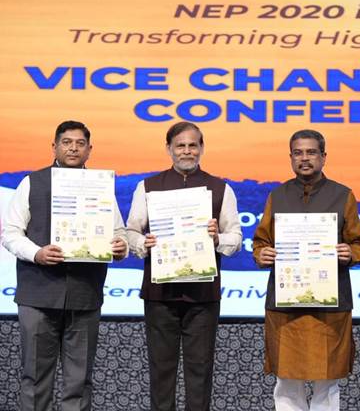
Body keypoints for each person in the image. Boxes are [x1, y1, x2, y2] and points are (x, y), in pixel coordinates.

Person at [1, 120, 128, 411]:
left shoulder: (100, 186)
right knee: (35, 378)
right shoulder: (32, 182)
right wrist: (37, 253)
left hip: (85, 296)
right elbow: (10, 233)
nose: (73, 148)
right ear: (55, 146)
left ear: (89, 150)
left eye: (80, 143)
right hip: (38, 296)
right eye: (67, 142)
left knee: (79, 382)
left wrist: (121, 246)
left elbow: (118, 233)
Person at [126, 121, 242, 411]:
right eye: (180, 145)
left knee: (200, 372)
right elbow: (131, 232)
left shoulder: (221, 188)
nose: (187, 151)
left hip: (202, 297)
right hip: (160, 294)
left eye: (193, 145)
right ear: (169, 149)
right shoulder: (148, 187)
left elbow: (236, 238)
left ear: (202, 148)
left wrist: (218, 238)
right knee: (161, 372)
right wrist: (143, 243)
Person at [253, 129, 360, 411]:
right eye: (298, 153)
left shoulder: (343, 195)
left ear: (324, 157)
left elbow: (359, 245)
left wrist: (349, 253)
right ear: (291, 157)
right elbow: (260, 242)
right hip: (285, 306)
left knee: (327, 383)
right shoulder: (277, 195)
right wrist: (262, 254)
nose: (304, 158)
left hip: (329, 306)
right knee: (286, 382)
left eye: (311, 152)